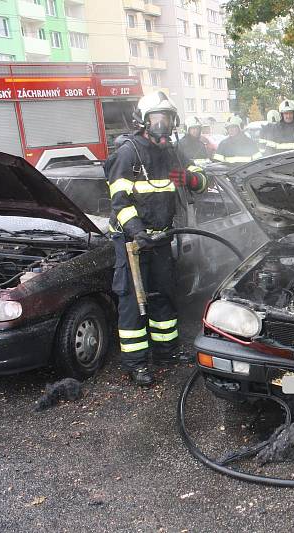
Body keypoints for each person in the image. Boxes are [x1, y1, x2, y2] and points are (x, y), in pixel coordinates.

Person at [106, 91, 208, 386]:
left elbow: (201, 178)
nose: (162, 126)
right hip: (133, 244)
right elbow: (120, 202)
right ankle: (136, 364)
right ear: (143, 121)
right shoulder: (129, 153)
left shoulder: (171, 154)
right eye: (157, 119)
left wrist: (190, 178)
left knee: (164, 295)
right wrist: (137, 231)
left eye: (167, 119)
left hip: (161, 239)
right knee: (133, 303)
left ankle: (166, 352)